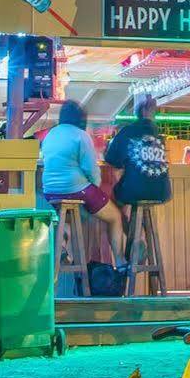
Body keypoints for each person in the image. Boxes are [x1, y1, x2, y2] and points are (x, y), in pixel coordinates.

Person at [38, 100, 124, 264]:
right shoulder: (80, 135)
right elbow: (90, 169)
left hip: (49, 191)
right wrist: (96, 187)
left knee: (66, 215)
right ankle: (120, 262)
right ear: (80, 119)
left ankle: (62, 244)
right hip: (76, 189)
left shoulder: (51, 134)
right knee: (115, 217)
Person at [103, 95, 171, 208]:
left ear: (141, 112)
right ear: (147, 112)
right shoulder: (159, 137)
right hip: (163, 192)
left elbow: (111, 159)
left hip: (133, 192)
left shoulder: (127, 132)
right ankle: (137, 223)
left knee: (118, 190)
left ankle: (126, 223)